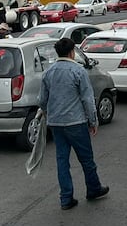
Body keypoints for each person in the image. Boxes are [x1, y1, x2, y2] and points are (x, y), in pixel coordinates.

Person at [38, 37, 108, 210]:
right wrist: (93, 121)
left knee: (62, 160)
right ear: (71, 52)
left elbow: (42, 100)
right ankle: (93, 188)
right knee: (86, 159)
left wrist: (48, 111)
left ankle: (66, 198)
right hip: (76, 121)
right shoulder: (78, 71)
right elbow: (87, 99)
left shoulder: (49, 72)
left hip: (56, 123)